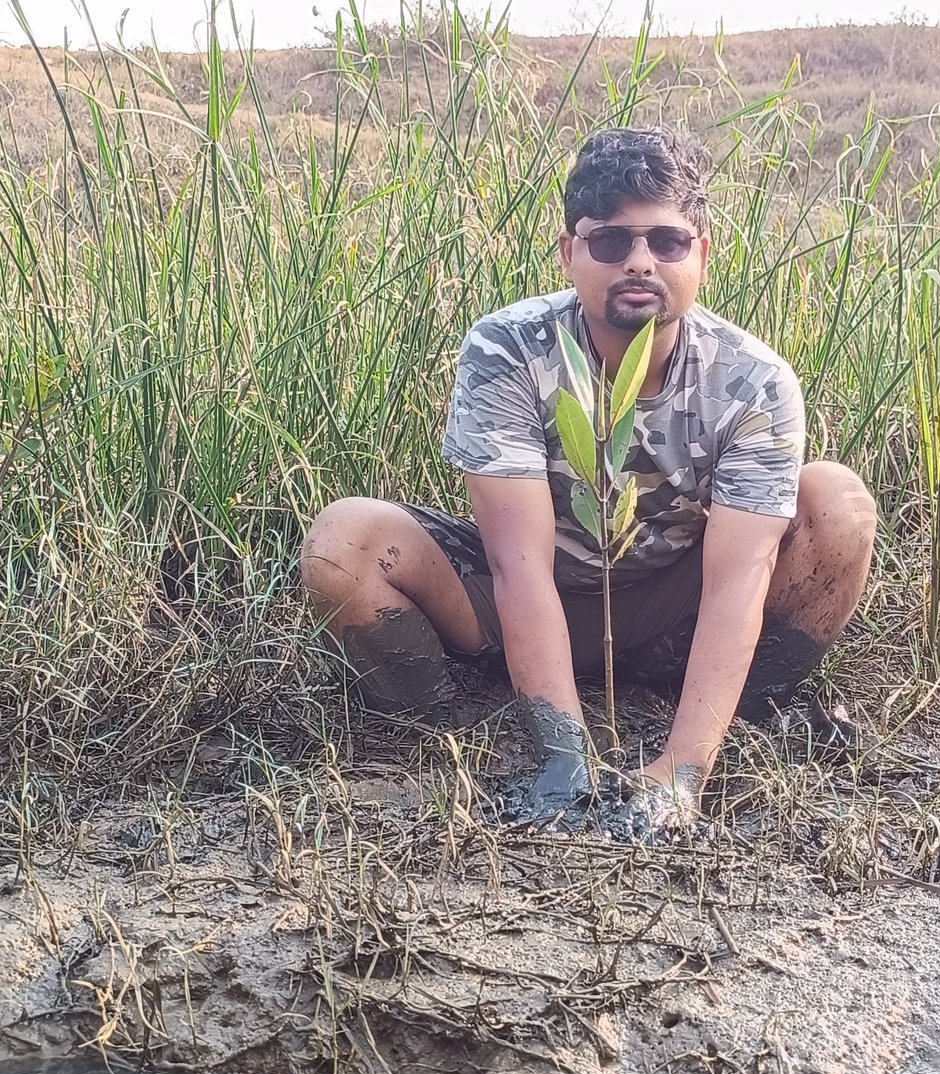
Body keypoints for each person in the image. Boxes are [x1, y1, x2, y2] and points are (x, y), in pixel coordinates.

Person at [301, 127, 877, 835]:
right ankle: (444, 727)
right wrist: (564, 756)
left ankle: (742, 716)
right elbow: (518, 563)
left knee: (838, 503)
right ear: (570, 253)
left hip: (674, 606)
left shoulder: (753, 379)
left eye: (665, 241)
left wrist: (680, 772)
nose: (639, 262)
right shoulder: (507, 347)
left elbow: (736, 582)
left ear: (700, 254)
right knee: (344, 542)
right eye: (610, 242)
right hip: (526, 594)